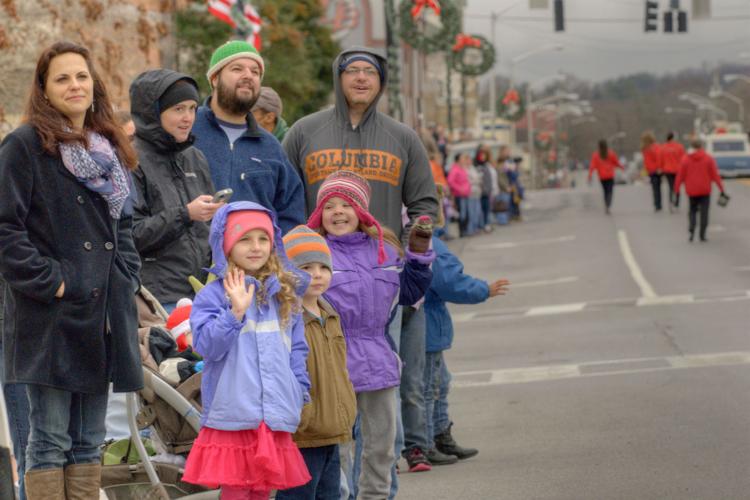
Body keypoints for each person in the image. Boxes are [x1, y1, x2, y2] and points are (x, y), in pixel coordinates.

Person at [0, 41, 143, 499]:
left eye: (81, 76)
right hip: (51, 317)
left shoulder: (107, 148)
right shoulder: (25, 146)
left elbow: (124, 226)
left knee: (87, 442)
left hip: (101, 314)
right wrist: (54, 281)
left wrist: (125, 277)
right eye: (61, 78)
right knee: (50, 441)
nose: (74, 86)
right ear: (43, 89)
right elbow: (4, 227)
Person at [307, 171, 434, 499]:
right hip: (332, 365)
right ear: (319, 213)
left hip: (379, 361)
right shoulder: (312, 251)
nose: (337, 212)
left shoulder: (385, 248)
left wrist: (419, 255)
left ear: (361, 211)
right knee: (340, 451)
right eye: (329, 206)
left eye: (346, 205)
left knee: (382, 449)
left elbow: (408, 293)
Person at [182, 201, 311, 499]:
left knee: (262, 492)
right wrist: (234, 314)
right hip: (234, 416)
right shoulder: (213, 296)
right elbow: (207, 347)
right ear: (226, 245)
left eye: (263, 238)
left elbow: (297, 351)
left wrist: (299, 390)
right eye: (244, 239)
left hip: (274, 415)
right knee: (237, 491)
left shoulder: (285, 296)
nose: (256, 247)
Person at [282, 46, 438, 239]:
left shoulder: (403, 138)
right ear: (339, 78)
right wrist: (299, 251)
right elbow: (283, 201)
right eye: (352, 70)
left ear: (381, 82)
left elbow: (424, 205)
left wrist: (408, 253)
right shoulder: (304, 132)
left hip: (384, 262)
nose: (362, 77)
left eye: (370, 71)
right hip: (321, 264)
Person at [276, 226, 357, 500]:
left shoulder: (329, 313)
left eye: (323, 266)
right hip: (303, 431)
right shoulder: (286, 317)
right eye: (306, 267)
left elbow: (341, 371)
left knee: (331, 494)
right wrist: (303, 413)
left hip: (331, 428)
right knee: (299, 495)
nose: (317, 274)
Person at [129, 69, 220, 310]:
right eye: (178, 109)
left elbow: (208, 229)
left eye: (192, 108)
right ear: (153, 112)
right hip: (158, 297)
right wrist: (186, 214)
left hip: (205, 292)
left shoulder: (194, 156)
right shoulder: (129, 159)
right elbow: (131, 234)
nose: (188, 118)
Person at [192, 40, 305, 233]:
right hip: (193, 260)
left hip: (255, 260)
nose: (248, 76)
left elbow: (291, 214)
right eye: (237, 69)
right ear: (214, 79)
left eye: (255, 72)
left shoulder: (270, 146)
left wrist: (276, 256)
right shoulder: (187, 131)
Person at [423, 237, 509, 461]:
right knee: (429, 387)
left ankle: (439, 435)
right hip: (426, 324)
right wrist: (483, 290)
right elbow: (448, 281)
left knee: (438, 383)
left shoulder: (415, 234)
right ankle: (426, 442)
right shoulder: (427, 240)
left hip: (425, 322)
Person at [673, 138, 725, 242]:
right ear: (701, 146)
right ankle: (702, 234)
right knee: (704, 212)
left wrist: (677, 189)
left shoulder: (686, 159)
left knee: (692, 210)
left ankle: (692, 228)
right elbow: (715, 175)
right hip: (705, 190)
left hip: (691, 190)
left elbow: (680, 176)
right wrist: (721, 189)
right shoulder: (708, 159)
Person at [588, 139, 623, 215]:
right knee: (610, 191)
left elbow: (592, 166)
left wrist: (590, 175)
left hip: (602, 177)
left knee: (605, 191)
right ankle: (608, 203)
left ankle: (607, 204)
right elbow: (616, 162)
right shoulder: (610, 153)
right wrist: (622, 167)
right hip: (610, 176)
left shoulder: (596, 155)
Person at [447, 153, 471, 237]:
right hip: (459, 195)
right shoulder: (455, 169)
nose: (464, 160)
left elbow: (466, 181)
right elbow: (450, 182)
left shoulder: (462, 169)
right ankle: (462, 231)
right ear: (458, 160)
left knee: (466, 213)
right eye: (462, 158)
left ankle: (465, 230)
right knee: (462, 214)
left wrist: (467, 189)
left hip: (465, 194)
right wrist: (460, 189)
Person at [661, 131, 685, 211]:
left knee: (671, 187)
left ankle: (671, 202)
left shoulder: (663, 147)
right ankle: (676, 204)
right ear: (673, 137)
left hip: (667, 170)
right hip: (677, 170)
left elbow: (661, 159)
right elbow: (683, 159)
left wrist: (661, 168)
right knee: (677, 186)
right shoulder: (679, 147)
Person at [641, 131, 663, 212]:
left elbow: (647, 161)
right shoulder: (655, 146)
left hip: (652, 170)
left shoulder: (645, 148)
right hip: (656, 170)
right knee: (657, 188)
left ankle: (657, 204)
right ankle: (658, 204)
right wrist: (659, 167)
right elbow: (658, 157)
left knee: (655, 188)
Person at [474, 147, 494, 232]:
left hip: (487, 191)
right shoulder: (477, 166)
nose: (482, 157)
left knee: (486, 208)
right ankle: (481, 225)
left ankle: (486, 224)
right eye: (481, 156)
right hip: (480, 192)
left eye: (484, 156)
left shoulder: (486, 165)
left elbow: (489, 179)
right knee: (480, 210)